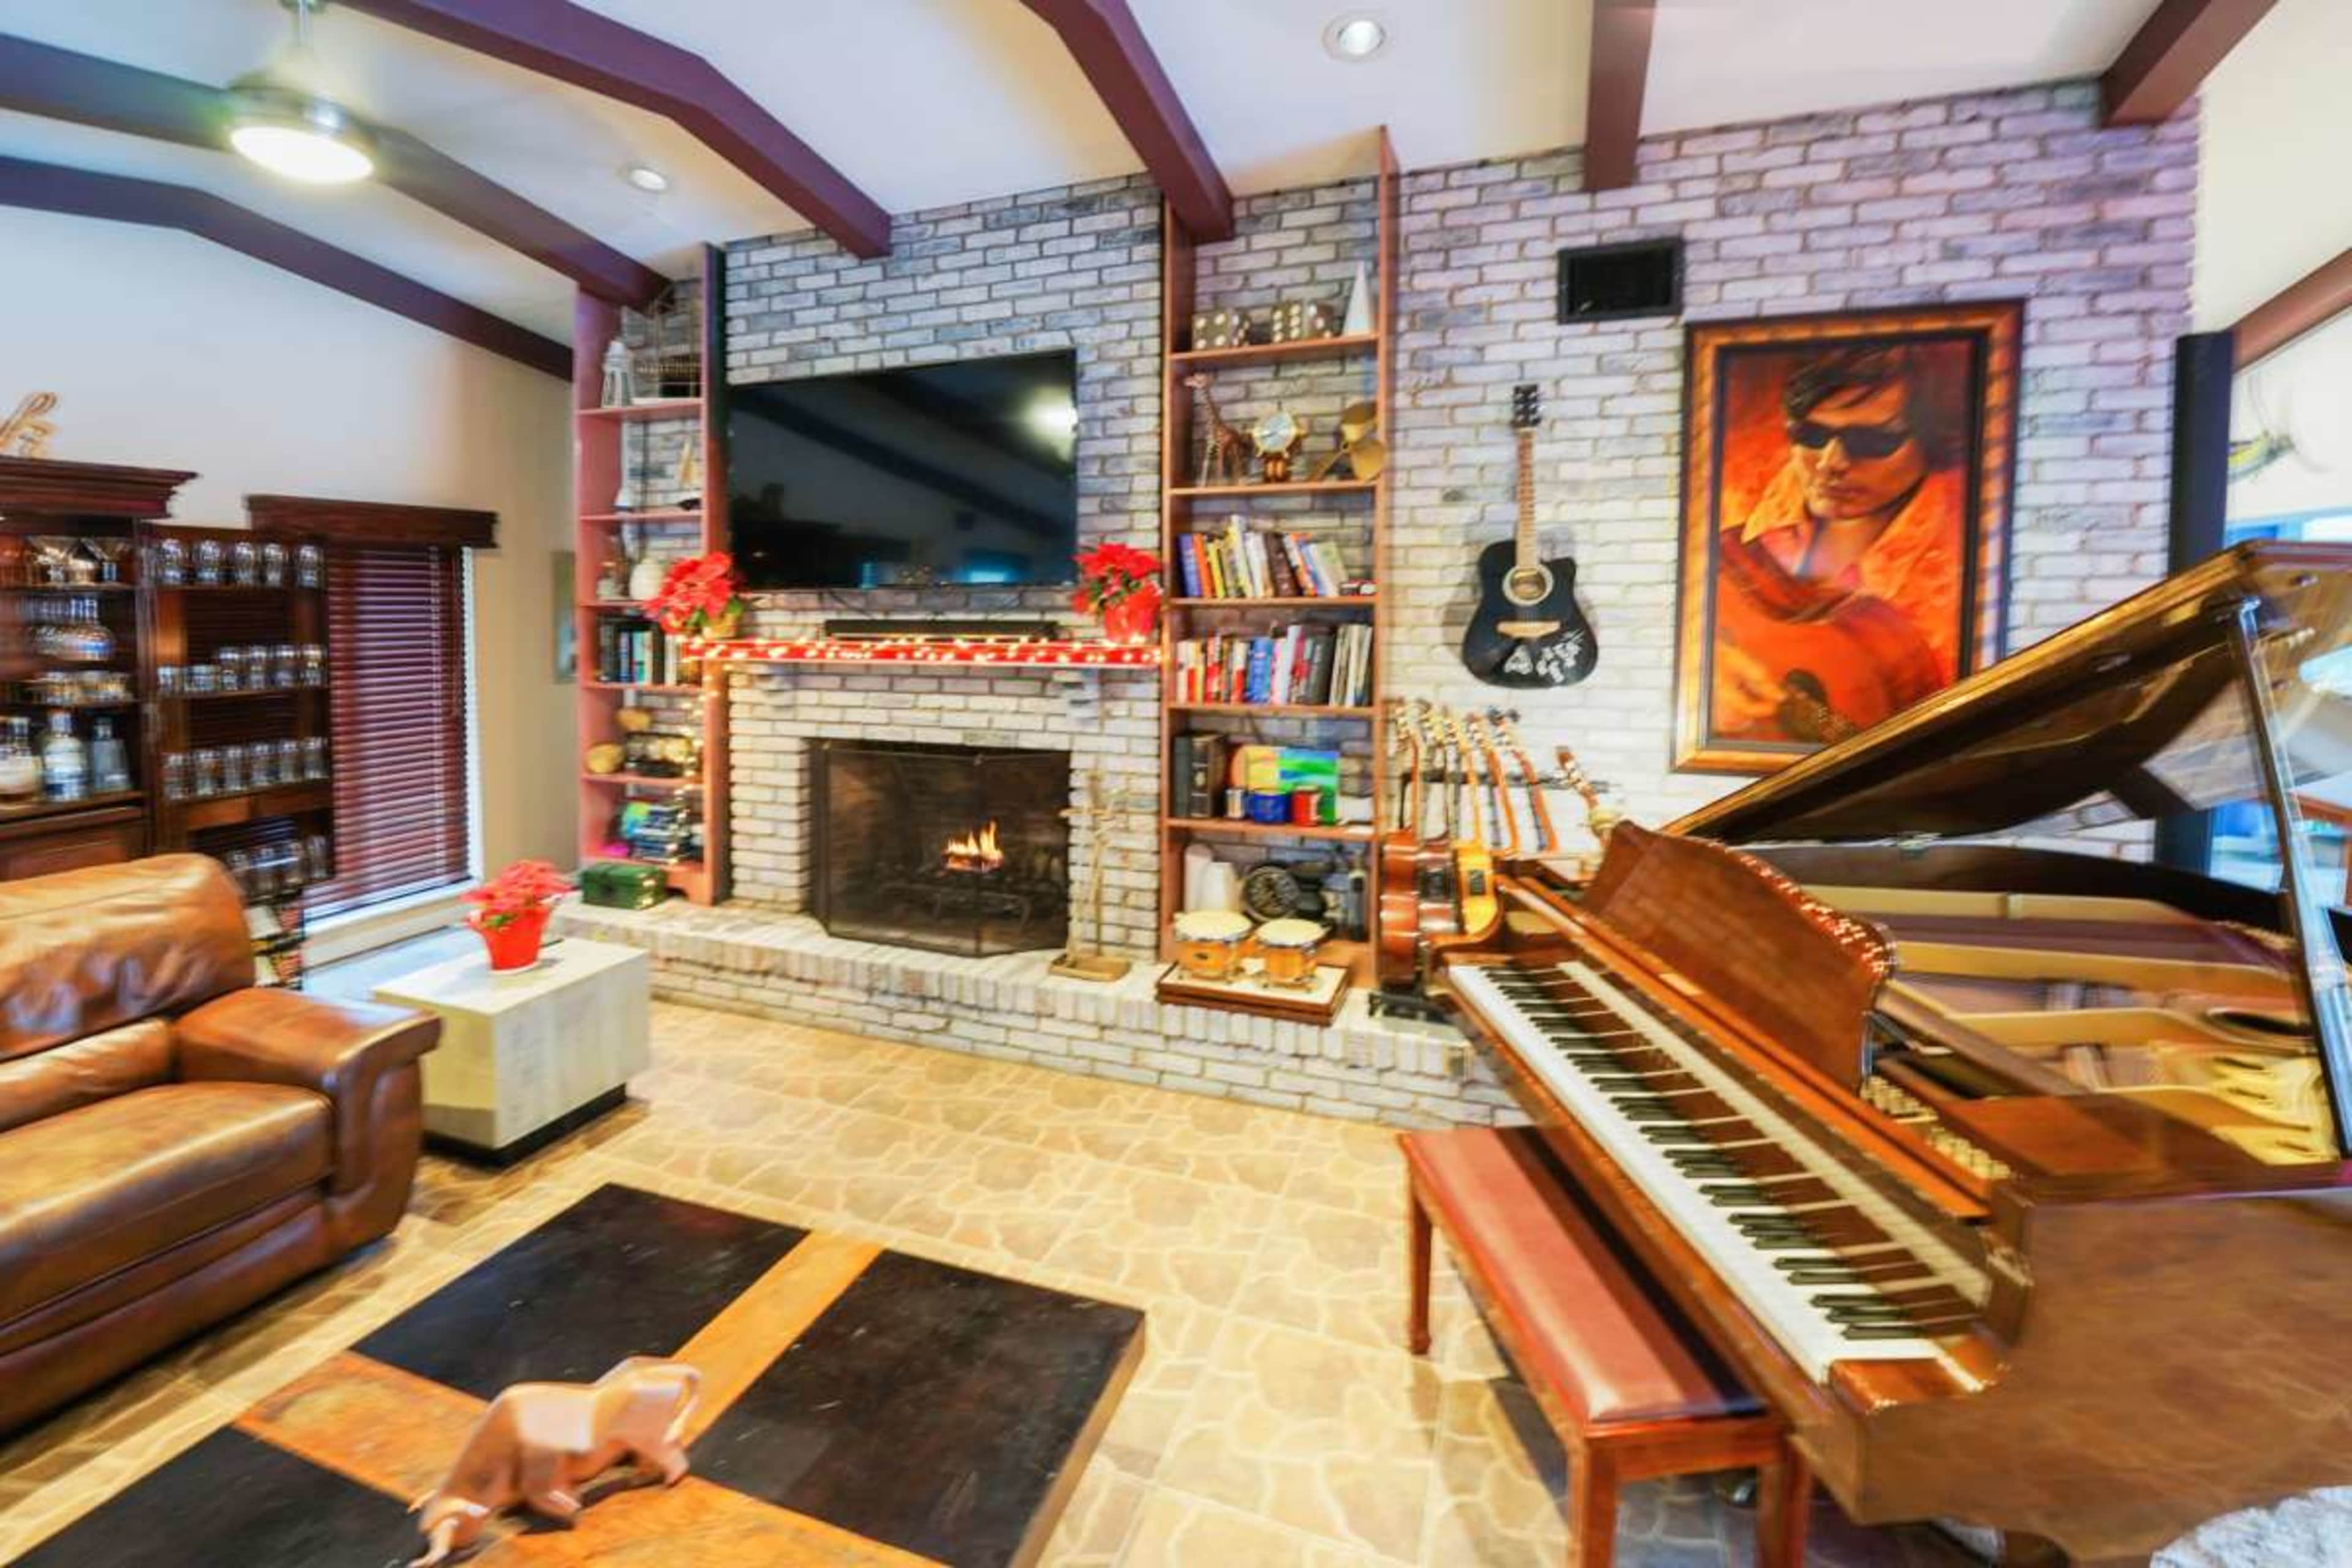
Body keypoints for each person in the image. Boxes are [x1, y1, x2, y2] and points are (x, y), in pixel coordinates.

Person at [1712, 343, 1966, 742]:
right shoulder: (1734, 526)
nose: (1831, 461)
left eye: (1873, 442)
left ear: (1933, 440)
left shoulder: (1951, 585)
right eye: (1811, 435)